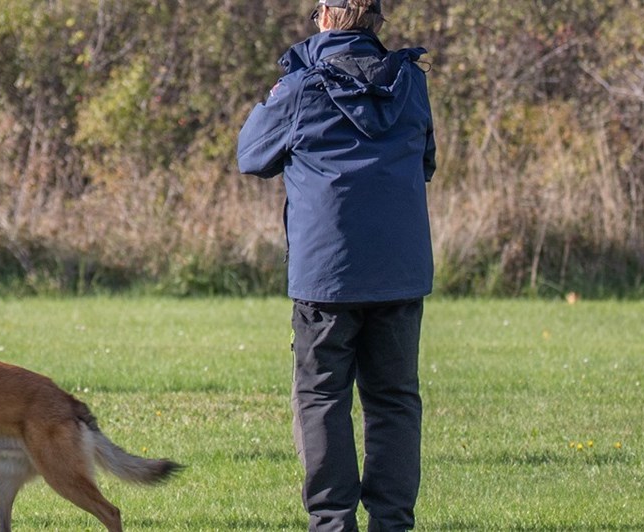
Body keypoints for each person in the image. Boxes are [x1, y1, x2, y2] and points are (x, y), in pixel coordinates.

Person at [235, 0, 435, 530]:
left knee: (322, 399)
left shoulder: (302, 88)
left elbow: (251, 154)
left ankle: (331, 522)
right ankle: (392, 523)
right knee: (393, 401)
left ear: (325, 16)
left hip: (326, 276)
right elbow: (426, 161)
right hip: (399, 271)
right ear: (376, 21)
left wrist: (281, 92)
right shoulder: (410, 84)